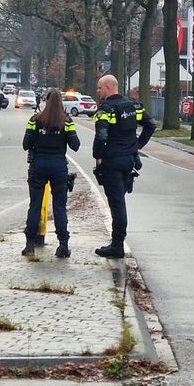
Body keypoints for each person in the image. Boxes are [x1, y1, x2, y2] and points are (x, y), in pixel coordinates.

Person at [91, 74, 155, 259]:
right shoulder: (133, 106)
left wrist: (98, 155)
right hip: (129, 160)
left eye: (100, 88)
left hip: (112, 161)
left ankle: (117, 245)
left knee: (117, 203)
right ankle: (117, 242)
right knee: (119, 200)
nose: (98, 91)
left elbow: (101, 136)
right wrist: (136, 145)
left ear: (109, 87)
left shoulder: (106, 109)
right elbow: (150, 125)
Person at [21, 90, 80, 257]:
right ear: (61, 102)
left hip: (38, 165)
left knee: (35, 205)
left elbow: (26, 144)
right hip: (58, 166)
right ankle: (63, 246)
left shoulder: (35, 120)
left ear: (46, 101)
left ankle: (30, 245)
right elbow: (75, 145)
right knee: (60, 206)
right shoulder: (66, 121)